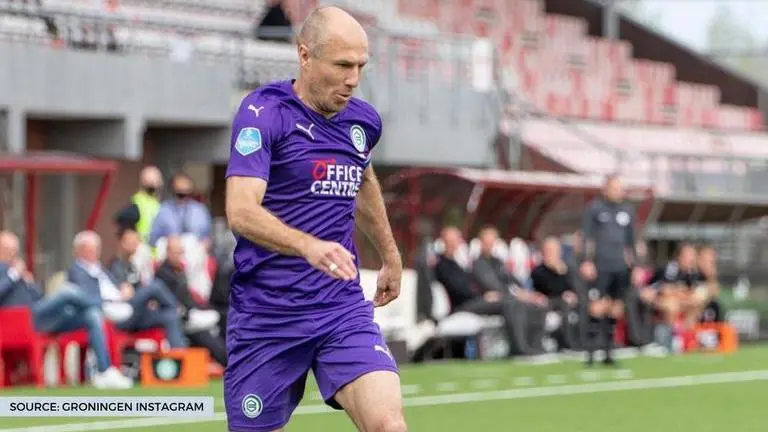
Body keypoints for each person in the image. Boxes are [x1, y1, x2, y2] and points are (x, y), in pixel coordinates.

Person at [224, 6, 405, 432]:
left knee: (388, 426)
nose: (353, 79)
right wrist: (308, 245)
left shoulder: (363, 122)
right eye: (342, 65)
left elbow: (362, 181)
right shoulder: (263, 113)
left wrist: (390, 255)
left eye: (361, 66)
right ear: (305, 56)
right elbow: (240, 209)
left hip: (340, 309)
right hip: (268, 316)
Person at [0, 231, 132, 389]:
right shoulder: (9, 272)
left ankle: (105, 371)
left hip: (40, 316)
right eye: (7, 249)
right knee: (68, 291)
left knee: (91, 315)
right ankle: (104, 305)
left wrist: (29, 283)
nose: (12, 254)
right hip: (19, 320)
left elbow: (38, 295)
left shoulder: (16, 271)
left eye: (14, 250)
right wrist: (13, 275)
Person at [67, 231, 189, 348]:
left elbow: (116, 285)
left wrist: (123, 287)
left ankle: (181, 360)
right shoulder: (78, 271)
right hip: (114, 312)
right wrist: (120, 296)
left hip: (128, 309)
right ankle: (181, 310)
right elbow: (89, 298)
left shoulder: (100, 269)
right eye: (90, 249)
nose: (95, 253)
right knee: (155, 286)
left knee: (170, 316)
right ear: (79, 250)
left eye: (96, 249)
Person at [579, 174, 642, 366]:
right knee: (597, 306)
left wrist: (636, 266)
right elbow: (586, 237)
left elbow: (632, 242)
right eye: (614, 187)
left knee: (615, 308)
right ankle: (590, 351)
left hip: (620, 266)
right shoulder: (595, 209)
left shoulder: (627, 211)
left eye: (620, 188)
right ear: (605, 189)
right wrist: (586, 261)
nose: (617, 191)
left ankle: (609, 351)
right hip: (600, 265)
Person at [471, 226, 548, 354]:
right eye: (487, 242)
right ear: (481, 243)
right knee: (514, 303)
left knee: (538, 305)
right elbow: (492, 285)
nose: (490, 245)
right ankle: (519, 348)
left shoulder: (498, 262)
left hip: (504, 298)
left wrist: (526, 293)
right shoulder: (478, 263)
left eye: (492, 242)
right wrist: (516, 294)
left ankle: (536, 345)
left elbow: (513, 280)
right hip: (484, 300)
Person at [154, 236, 227, 367]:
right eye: (178, 252)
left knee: (211, 329)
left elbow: (189, 298)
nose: (181, 256)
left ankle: (228, 360)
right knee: (216, 321)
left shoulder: (179, 271)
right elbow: (172, 302)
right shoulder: (163, 274)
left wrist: (204, 307)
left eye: (182, 252)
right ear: (168, 252)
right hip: (181, 318)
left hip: (191, 315)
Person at [644, 242, 698, 351]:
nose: (691, 259)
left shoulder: (691, 272)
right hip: (651, 296)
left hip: (674, 299)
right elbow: (666, 290)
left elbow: (690, 292)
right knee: (671, 305)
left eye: (692, 255)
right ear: (679, 256)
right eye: (688, 255)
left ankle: (687, 338)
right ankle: (669, 340)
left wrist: (682, 294)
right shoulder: (671, 267)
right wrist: (681, 292)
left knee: (695, 303)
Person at [149, 173, 213, 248]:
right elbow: (153, 238)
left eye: (187, 193)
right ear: (173, 191)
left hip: (195, 255)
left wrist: (204, 244)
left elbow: (209, 237)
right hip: (171, 255)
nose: (184, 198)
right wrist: (168, 241)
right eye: (180, 194)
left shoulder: (200, 210)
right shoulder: (163, 210)